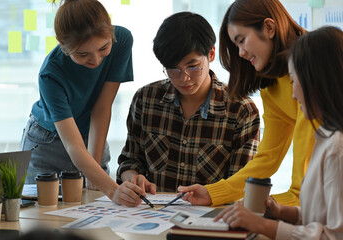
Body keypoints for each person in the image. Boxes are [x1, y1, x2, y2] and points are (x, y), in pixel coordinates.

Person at [179, 0, 316, 207]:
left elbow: (303, 193)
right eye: (236, 45)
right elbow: (269, 156)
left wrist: (256, 206)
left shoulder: (314, 61)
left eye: (242, 40)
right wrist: (214, 193)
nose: (241, 53)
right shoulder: (271, 83)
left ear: (269, 27)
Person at [214, 26, 343, 240]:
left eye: (293, 81)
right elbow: (324, 217)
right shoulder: (326, 138)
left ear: (318, 81)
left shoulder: (337, 149)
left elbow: (334, 236)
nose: (292, 94)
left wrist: (264, 226)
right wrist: (283, 212)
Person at [116, 12, 260, 192]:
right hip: (152, 212)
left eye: (193, 66)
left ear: (211, 54)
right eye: (173, 70)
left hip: (210, 216)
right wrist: (132, 178)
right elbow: (129, 160)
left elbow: (242, 185)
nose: (184, 78)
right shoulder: (146, 99)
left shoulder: (241, 110)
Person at [21, 0, 144, 206]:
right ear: (64, 47)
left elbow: (102, 107)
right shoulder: (50, 74)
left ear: (111, 32)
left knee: (95, 213)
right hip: (49, 141)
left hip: (91, 133)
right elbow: (73, 145)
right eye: (82, 54)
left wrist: (97, 176)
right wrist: (113, 190)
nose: (95, 60)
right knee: (43, 217)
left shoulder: (122, 40)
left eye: (103, 47)